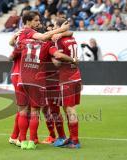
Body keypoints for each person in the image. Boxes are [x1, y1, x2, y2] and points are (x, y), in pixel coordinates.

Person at [8, 11, 71, 150]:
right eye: (36, 20)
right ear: (29, 22)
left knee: (24, 111)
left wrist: (14, 41)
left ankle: (20, 139)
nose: (38, 23)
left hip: (22, 78)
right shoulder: (44, 42)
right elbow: (57, 59)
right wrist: (62, 31)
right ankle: (34, 139)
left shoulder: (23, 40)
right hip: (39, 80)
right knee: (39, 111)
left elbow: (11, 53)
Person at [51, 18, 81, 148]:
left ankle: (75, 140)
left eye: (54, 26)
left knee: (70, 109)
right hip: (76, 76)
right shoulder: (72, 38)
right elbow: (70, 32)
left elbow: (58, 61)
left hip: (66, 77)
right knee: (67, 107)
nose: (53, 28)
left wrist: (50, 56)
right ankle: (71, 137)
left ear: (59, 26)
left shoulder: (58, 40)